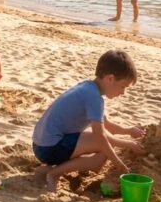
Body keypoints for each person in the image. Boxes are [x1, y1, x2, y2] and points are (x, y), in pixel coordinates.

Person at [32, 50, 145, 192]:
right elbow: (100, 137)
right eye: (123, 86)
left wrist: (128, 131)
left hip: (41, 144)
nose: (123, 92)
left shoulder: (88, 88)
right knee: (103, 153)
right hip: (48, 149)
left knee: (103, 141)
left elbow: (106, 124)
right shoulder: (94, 98)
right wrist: (119, 164)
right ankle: (54, 174)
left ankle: (57, 167)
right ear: (110, 79)